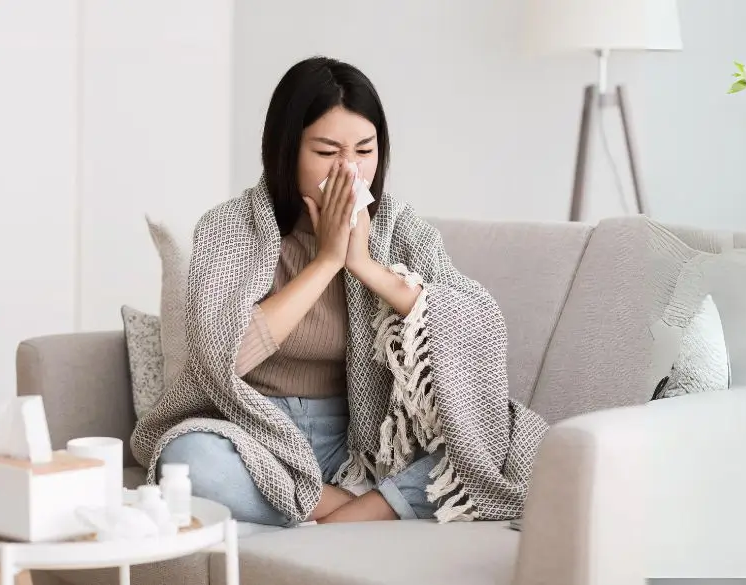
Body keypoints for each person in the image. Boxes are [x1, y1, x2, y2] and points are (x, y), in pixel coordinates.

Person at [130, 56, 547, 528]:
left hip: (359, 446)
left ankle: (316, 506)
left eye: (364, 151)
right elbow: (224, 357)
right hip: (251, 431)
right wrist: (326, 260)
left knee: (502, 446)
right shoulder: (230, 229)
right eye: (328, 152)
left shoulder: (400, 228)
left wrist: (364, 265)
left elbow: (473, 322)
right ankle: (355, 511)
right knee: (189, 462)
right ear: (287, 152)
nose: (350, 171)